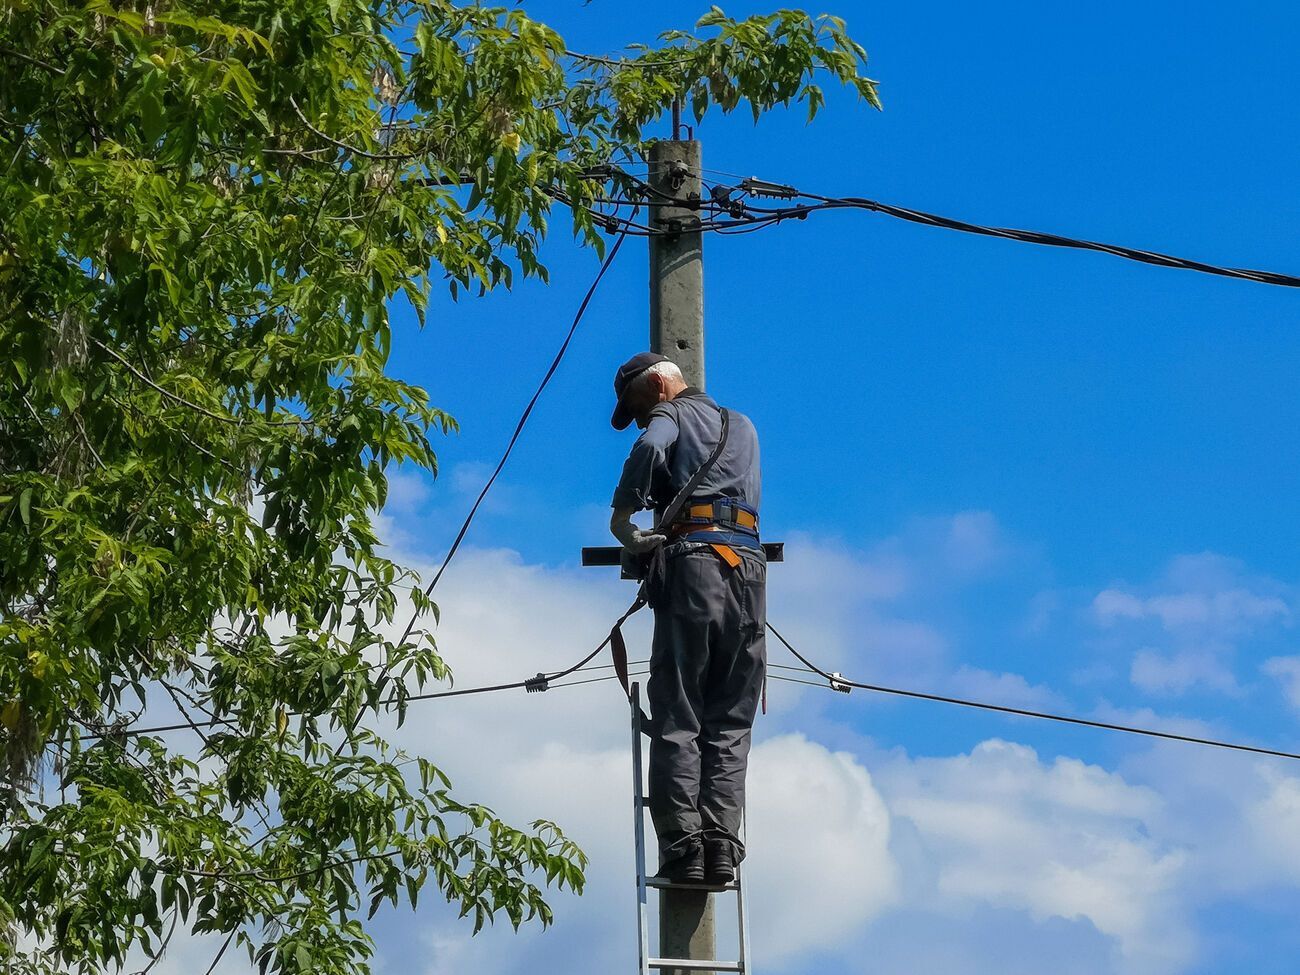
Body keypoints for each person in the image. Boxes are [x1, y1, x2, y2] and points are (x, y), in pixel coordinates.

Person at [609, 351, 766, 889]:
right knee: (731, 717)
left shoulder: (669, 414)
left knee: (680, 710)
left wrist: (623, 517)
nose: (640, 419)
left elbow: (651, 447)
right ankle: (721, 845)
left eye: (637, 406)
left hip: (696, 566)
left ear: (658, 386)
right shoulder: (742, 425)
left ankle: (683, 849)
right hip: (748, 570)